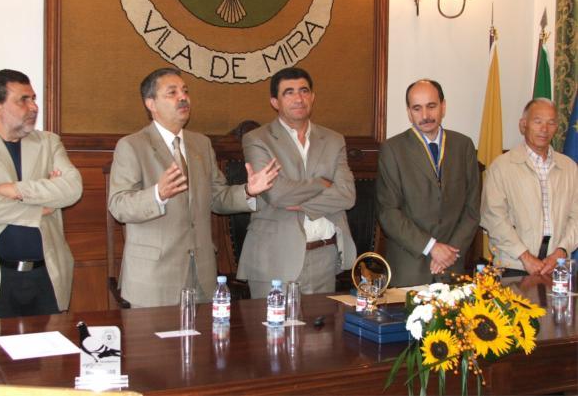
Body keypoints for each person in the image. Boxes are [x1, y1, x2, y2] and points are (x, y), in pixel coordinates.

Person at [108, 67, 279, 307]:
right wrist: (157, 194)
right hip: (154, 278)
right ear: (151, 103)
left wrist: (248, 191)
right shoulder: (132, 146)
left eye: (185, 91)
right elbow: (119, 205)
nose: (183, 97)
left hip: (202, 274)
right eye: (172, 93)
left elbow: (217, 197)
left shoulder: (201, 143)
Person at [0, 69, 83, 396]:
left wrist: (11, 189)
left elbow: (72, 189)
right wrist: (40, 206)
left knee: (44, 376)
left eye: (34, 98)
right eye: (23, 100)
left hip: (45, 278)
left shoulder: (49, 142)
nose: (33, 107)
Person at [237, 67, 357, 299]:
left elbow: (347, 195)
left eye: (304, 91)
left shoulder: (334, 140)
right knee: (273, 324)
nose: (298, 98)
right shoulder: (257, 139)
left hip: (325, 256)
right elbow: (277, 194)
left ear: (312, 97)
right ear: (275, 102)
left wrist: (303, 205)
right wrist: (323, 183)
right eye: (289, 92)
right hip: (274, 259)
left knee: (321, 324)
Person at [376, 79, 480, 286]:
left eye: (431, 106)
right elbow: (388, 212)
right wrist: (432, 247)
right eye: (417, 108)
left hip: (453, 266)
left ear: (443, 106)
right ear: (409, 112)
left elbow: (472, 208)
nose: (425, 115)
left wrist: (449, 253)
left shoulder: (464, 146)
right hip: (410, 268)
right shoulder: (393, 150)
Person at [481, 98, 578, 276]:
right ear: (523, 125)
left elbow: (576, 217)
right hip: (514, 265)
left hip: (557, 266)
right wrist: (524, 256)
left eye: (551, 123)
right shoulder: (501, 167)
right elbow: (493, 218)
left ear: (557, 127)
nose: (544, 129)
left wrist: (561, 251)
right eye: (538, 121)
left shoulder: (570, 168)